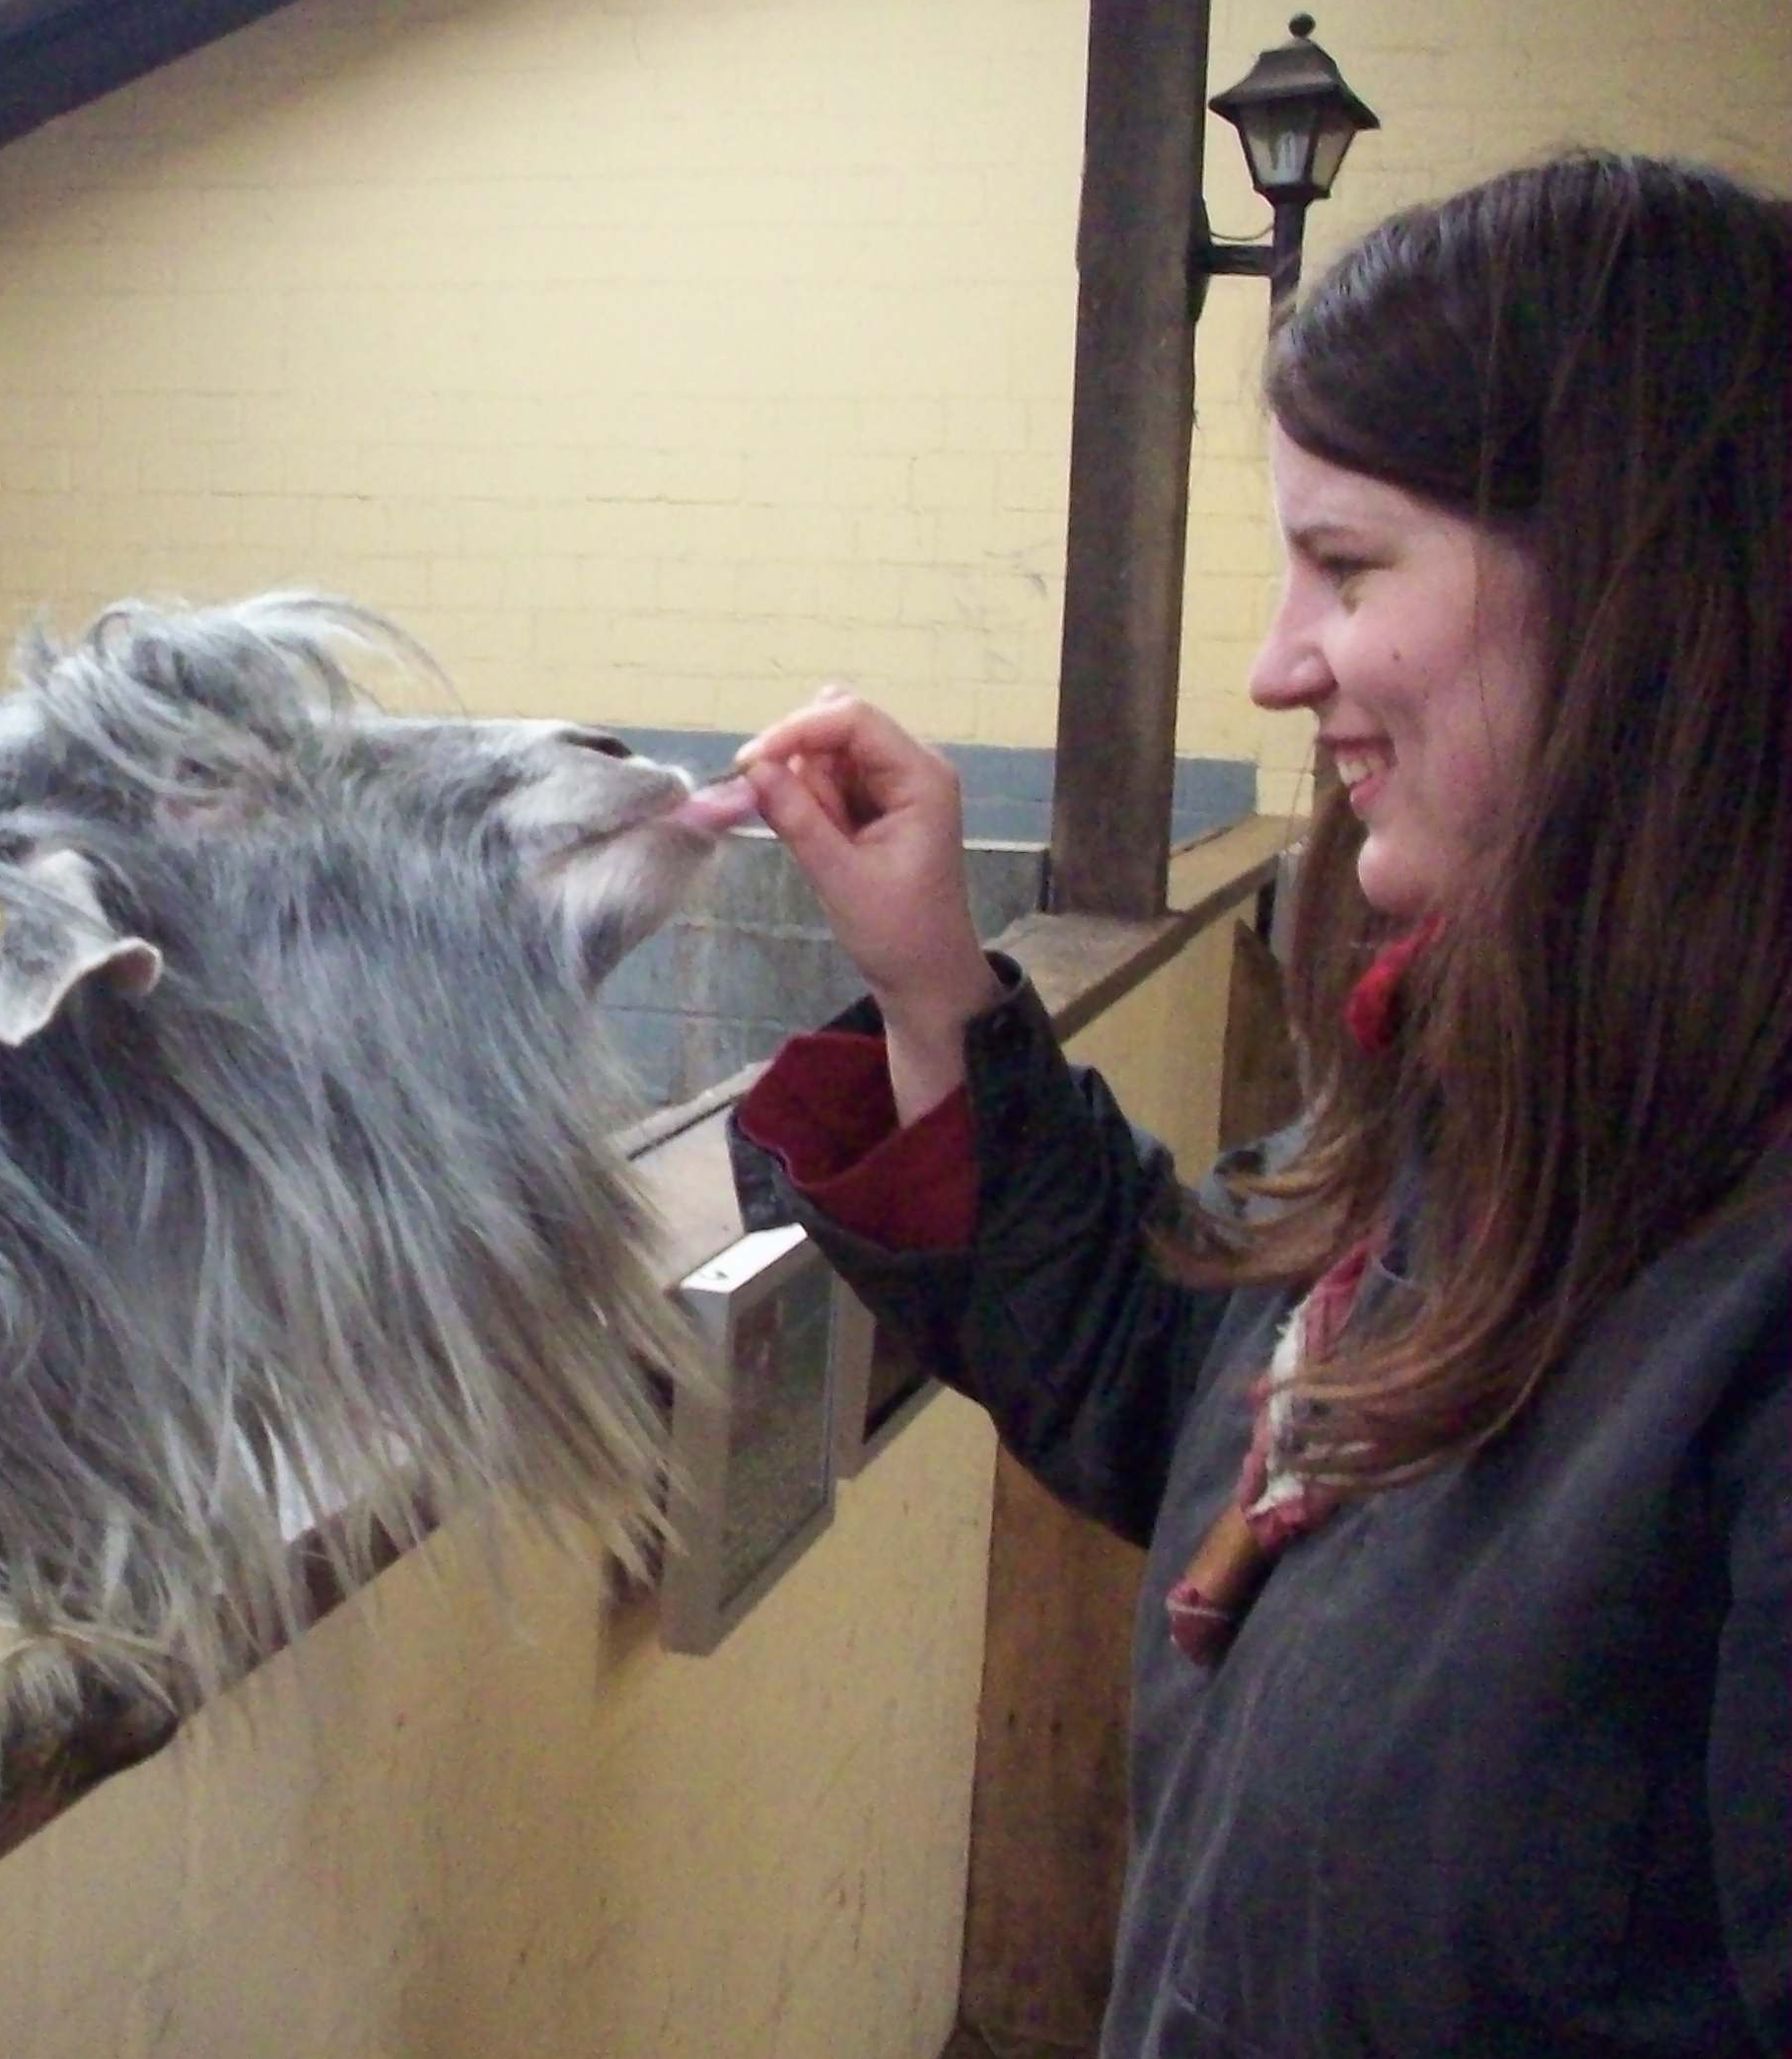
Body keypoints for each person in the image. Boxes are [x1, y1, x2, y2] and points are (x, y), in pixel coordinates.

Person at [724, 151, 1790, 2056]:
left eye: (1349, 567)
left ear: (1645, 597)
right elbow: (1190, 1378)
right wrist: (932, 985)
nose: (1275, 666)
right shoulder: (1489, 1101)